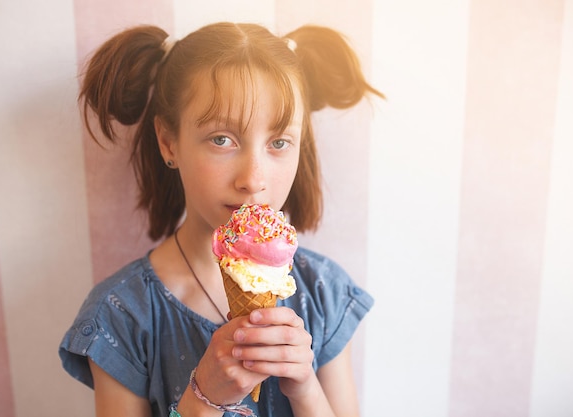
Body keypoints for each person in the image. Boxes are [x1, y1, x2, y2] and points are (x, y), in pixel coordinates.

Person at [59, 21, 382, 417]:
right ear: (168, 142)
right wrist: (202, 399)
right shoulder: (123, 316)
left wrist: (305, 388)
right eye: (221, 140)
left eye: (279, 143)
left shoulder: (322, 294)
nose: (253, 179)